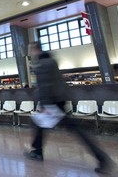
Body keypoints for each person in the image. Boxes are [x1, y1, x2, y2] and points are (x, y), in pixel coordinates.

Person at [25, 42, 112, 174]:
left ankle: (101, 157)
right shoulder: (51, 61)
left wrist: (44, 105)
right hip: (59, 100)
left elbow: (45, 86)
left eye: (30, 50)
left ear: (34, 50)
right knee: (40, 123)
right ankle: (37, 151)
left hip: (52, 102)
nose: (30, 53)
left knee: (73, 129)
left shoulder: (42, 64)